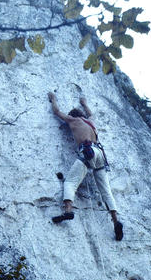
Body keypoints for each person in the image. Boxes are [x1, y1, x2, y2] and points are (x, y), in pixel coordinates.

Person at [48, 92, 124, 241]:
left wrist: (53, 99)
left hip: (87, 151)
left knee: (70, 182)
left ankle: (68, 210)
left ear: (73, 116)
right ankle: (116, 221)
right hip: (100, 154)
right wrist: (84, 103)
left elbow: (57, 112)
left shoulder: (73, 120)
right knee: (106, 191)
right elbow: (91, 114)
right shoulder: (91, 122)